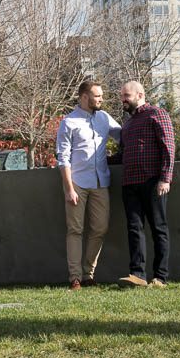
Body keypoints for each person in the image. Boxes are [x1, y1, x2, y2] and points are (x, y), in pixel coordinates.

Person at [55, 80, 122, 290]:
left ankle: (88, 274)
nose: (101, 99)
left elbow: (122, 136)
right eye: (97, 95)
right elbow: (63, 158)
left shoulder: (104, 118)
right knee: (75, 230)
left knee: (100, 228)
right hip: (78, 183)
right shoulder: (69, 122)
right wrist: (69, 189)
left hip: (101, 182)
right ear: (84, 97)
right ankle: (75, 278)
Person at [116, 80, 175, 288]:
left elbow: (168, 147)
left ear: (140, 95)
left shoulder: (156, 114)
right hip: (129, 183)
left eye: (126, 95)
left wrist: (165, 178)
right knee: (134, 229)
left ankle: (160, 277)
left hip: (152, 181)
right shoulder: (128, 123)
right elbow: (122, 155)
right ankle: (137, 275)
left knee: (158, 228)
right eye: (122, 95)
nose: (123, 99)